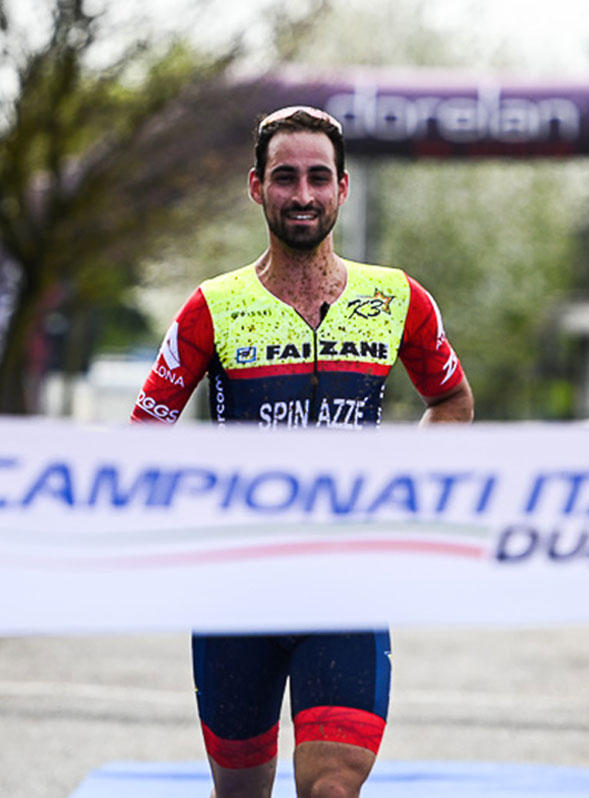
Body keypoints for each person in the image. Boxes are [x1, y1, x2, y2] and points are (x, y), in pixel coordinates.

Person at [132, 106, 473, 798]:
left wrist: (398, 495)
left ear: (343, 188)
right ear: (256, 187)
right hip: (238, 594)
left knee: (332, 788)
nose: (303, 195)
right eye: (285, 178)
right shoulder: (211, 307)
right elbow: (143, 436)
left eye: (319, 178)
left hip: (345, 586)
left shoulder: (397, 298)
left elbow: (453, 403)